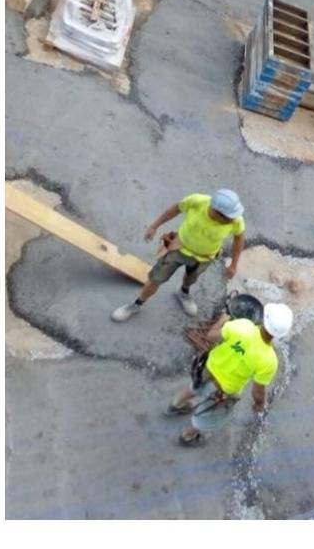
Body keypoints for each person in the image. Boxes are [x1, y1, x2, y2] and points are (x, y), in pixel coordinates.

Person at [167, 300, 288, 446]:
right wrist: (259, 404)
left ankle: (176, 405)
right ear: (280, 334)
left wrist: (222, 319)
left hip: (209, 367)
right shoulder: (269, 361)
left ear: (264, 318)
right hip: (225, 390)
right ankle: (187, 436)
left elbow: (211, 336)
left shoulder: (243, 325)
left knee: (194, 386)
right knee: (207, 415)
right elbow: (258, 391)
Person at [114, 190, 246, 322]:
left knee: (191, 278)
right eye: (227, 217)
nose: (231, 220)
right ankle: (136, 305)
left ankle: (183, 293)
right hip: (178, 249)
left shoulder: (235, 220)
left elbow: (239, 240)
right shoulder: (197, 201)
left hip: (204, 257)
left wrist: (234, 265)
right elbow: (174, 210)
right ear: (215, 210)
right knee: (156, 279)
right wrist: (154, 226)